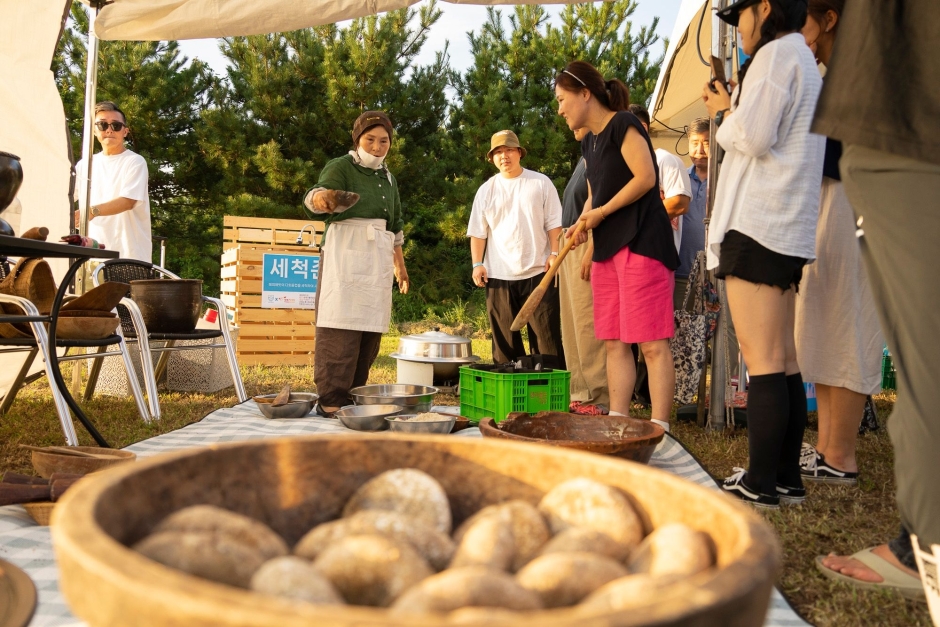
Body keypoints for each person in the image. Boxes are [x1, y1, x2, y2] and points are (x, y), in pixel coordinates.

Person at [810, 0, 940, 609]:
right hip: (899, 111)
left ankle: (926, 545)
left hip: (909, 111)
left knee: (925, 363)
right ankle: (920, 541)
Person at [701, 0, 824, 508]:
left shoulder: (777, 55)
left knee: (765, 363)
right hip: (786, 225)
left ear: (766, 8)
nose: (740, 29)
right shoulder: (805, 59)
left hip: (757, 225)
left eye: (741, 17)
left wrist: (724, 110)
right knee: (785, 362)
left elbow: (751, 134)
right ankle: (785, 477)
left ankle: (760, 483)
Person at [554, 61, 678, 433]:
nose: (560, 109)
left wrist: (601, 212)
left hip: (642, 243)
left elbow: (645, 177)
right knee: (613, 343)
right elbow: (595, 195)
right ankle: (618, 423)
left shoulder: (624, 123)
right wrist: (583, 226)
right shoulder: (589, 142)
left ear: (585, 94)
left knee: (651, 344)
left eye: (562, 99)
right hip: (608, 250)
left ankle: (660, 427)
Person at [795, 0, 884, 488]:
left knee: (848, 322)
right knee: (825, 324)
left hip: (856, 203)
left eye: (802, 20)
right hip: (826, 206)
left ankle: (843, 453)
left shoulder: (861, 72)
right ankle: (829, 447)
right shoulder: (830, 74)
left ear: (829, 19)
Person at [303, 111, 409, 416]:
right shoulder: (341, 166)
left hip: (378, 254)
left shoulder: (388, 178)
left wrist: (399, 265)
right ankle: (331, 398)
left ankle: (354, 393)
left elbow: (396, 223)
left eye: (383, 140)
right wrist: (323, 199)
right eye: (370, 139)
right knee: (339, 324)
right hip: (344, 250)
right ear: (358, 139)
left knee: (368, 327)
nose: (377, 146)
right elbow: (315, 196)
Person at [467, 130, 564, 365]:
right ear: (492, 158)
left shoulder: (540, 183)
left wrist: (554, 254)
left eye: (509, 150)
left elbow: (554, 223)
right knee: (504, 343)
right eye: (498, 152)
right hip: (498, 275)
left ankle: (548, 392)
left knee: (546, 338)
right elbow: (478, 233)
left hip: (539, 272)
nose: (504, 156)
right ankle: (510, 392)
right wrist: (477, 264)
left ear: (519, 153)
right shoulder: (486, 190)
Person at [559, 128, 609, 415]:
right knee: (572, 326)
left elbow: (600, 201)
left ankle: (599, 397)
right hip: (571, 242)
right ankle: (580, 393)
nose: (563, 113)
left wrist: (591, 249)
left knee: (588, 323)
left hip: (586, 243)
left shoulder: (602, 149)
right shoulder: (586, 152)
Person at [73, 101, 152, 262]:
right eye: (102, 125)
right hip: (91, 255)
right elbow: (66, 198)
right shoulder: (84, 165)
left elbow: (128, 201)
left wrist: (91, 211)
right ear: (94, 130)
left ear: (125, 131)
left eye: (116, 125)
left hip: (128, 254)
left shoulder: (135, 161)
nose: (109, 129)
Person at [627, 105, 691, 256]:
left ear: (643, 127)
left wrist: (630, 220)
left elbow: (679, 204)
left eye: (623, 129)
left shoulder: (665, 160)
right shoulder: (623, 165)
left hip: (657, 256)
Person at [675, 117, 711, 310]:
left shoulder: (722, 179)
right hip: (680, 274)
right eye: (695, 143)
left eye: (706, 143)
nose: (700, 150)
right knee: (681, 334)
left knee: (717, 336)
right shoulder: (678, 178)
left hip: (713, 276)